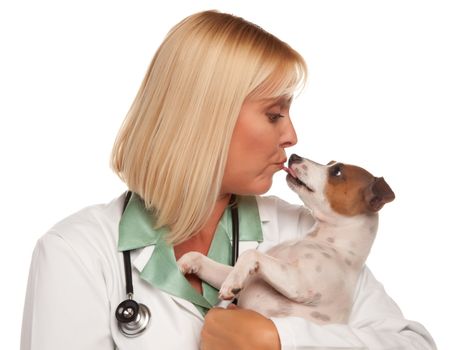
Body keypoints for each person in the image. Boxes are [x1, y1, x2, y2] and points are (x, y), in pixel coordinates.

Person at [20, 10, 436, 350]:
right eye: (274, 114)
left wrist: (281, 340)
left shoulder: (307, 233)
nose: (292, 136)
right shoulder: (75, 254)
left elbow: (413, 345)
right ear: (205, 118)